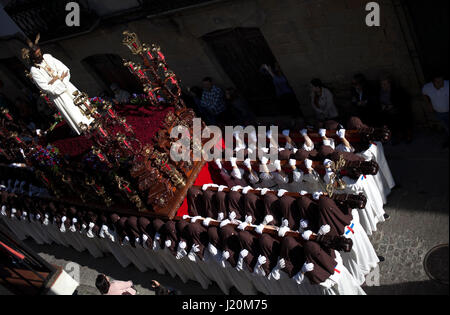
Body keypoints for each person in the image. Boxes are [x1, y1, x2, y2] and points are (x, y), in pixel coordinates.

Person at [23, 34, 94, 135]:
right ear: (32, 57)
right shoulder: (34, 71)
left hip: (67, 85)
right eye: (37, 54)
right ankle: (85, 127)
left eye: (40, 52)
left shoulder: (47, 57)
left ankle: (92, 118)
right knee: (71, 109)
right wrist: (59, 80)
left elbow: (63, 69)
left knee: (80, 101)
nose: (40, 55)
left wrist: (58, 80)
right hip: (59, 95)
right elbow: (46, 87)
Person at [378, 74, 413, 143]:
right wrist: (383, 106)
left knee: (401, 117)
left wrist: (393, 106)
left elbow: (402, 101)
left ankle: (407, 134)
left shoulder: (397, 90)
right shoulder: (382, 92)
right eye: (382, 84)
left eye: (385, 84)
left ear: (389, 84)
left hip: (399, 110)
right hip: (387, 110)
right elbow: (380, 101)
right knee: (387, 119)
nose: (383, 86)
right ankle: (397, 135)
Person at [422, 73, 449, 147]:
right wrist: (429, 105)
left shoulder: (447, 84)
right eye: (438, 82)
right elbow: (424, 94)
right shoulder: (427, 87)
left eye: (442, 81)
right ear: (433, 82)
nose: (441, 83)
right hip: (438, 112)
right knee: (446, 126)